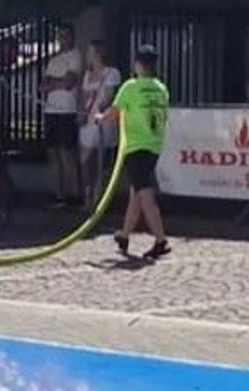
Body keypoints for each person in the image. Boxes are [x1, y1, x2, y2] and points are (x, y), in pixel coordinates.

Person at [103, 45, 171, 260]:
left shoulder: (130, 87)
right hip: (154, 146)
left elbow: (113, 113)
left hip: (136, 147)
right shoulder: (161, 89)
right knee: (137, 192)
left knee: (145, 194)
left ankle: (160, 239)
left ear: (139, 64)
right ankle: (124, 234)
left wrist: (99, 118)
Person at [41, 27, 84, 207]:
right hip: (51, 110)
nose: (63, 39)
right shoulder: (53, 60)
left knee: (68, 153)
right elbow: (43, 86)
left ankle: (73, 194)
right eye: (60, 35)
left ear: (72, 37)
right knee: (53, 153)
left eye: (66, 35)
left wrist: (54, 82)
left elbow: (69, 83)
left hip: (67, 110)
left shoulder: (75, 56)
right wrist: (56, 82)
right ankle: (59, 194)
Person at [78, 41, 122, 208]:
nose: (87, 56)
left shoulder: (112, 73)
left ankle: (99, 193)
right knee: (85, 160)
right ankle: (88, 192)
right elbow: (83, 97)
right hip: (88, 119)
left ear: (97, 54)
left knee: (98, 158)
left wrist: (102, 110)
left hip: (103, 119)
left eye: (90, 52)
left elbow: (109, 96)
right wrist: (82, 112)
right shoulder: (87, 75)